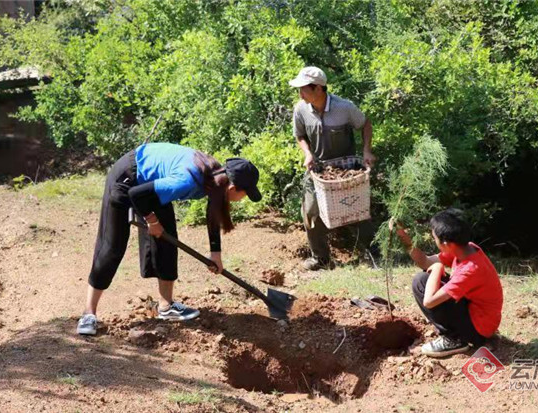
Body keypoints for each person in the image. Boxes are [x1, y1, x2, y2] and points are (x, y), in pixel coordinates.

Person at [77, 142, 262, 335]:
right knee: (112, 247)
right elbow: (136, 194)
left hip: (154, 184)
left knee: (167, 241)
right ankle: (88, 314)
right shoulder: (186, 180)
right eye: (245, 194)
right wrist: (151, 220)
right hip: (128, 179)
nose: (244, 198)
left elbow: (213, 212)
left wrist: (215, 253)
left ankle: (166, 306)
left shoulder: (216, 178)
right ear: (233, 188)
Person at [289, 66, 378, 271]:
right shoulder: (301, 108)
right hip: (318, 169)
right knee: (311, 211)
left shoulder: (344, 107)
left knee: (358, 208)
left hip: (347, 170)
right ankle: (321, 258)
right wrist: (307, 153)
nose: (300, 93)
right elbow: (300, 135)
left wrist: (366, 151)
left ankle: (374, 253)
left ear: (318, 88)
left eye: (303, 89)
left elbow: (365, 124)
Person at [389, 209, 503, 357]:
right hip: (478, 316)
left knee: (421, 282)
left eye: (434, 237)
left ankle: (455, 339)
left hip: (478, 329)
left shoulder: (471, 269)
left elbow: (429, 302)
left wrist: (437, 268)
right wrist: (403, 236)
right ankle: (457, 333)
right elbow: (425, 261)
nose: (433, 239)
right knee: (424, 279)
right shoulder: (465, 248)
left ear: (446, 244)